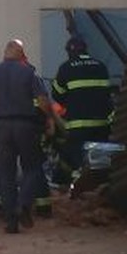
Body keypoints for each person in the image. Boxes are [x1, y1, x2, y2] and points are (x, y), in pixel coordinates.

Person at [0, 38, 54, 234]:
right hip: (25, 125)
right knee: (34, 166)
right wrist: (50, 118)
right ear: (20, 53)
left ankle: (11, 221)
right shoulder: (28, 72)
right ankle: (24, 204)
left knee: (6, 174)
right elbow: (43, 100)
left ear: (5, 52)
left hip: (2, 127)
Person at [51, 36, 115, 182]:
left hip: (78, 126)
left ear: (69, 52)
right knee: (99, 164)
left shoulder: (66, 67)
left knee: (77, 161)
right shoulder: (101, 66)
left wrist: (70, 102)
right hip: (101, 125)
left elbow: (57, 94)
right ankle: (98, 189)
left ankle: (77, 191)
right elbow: (106, 94)